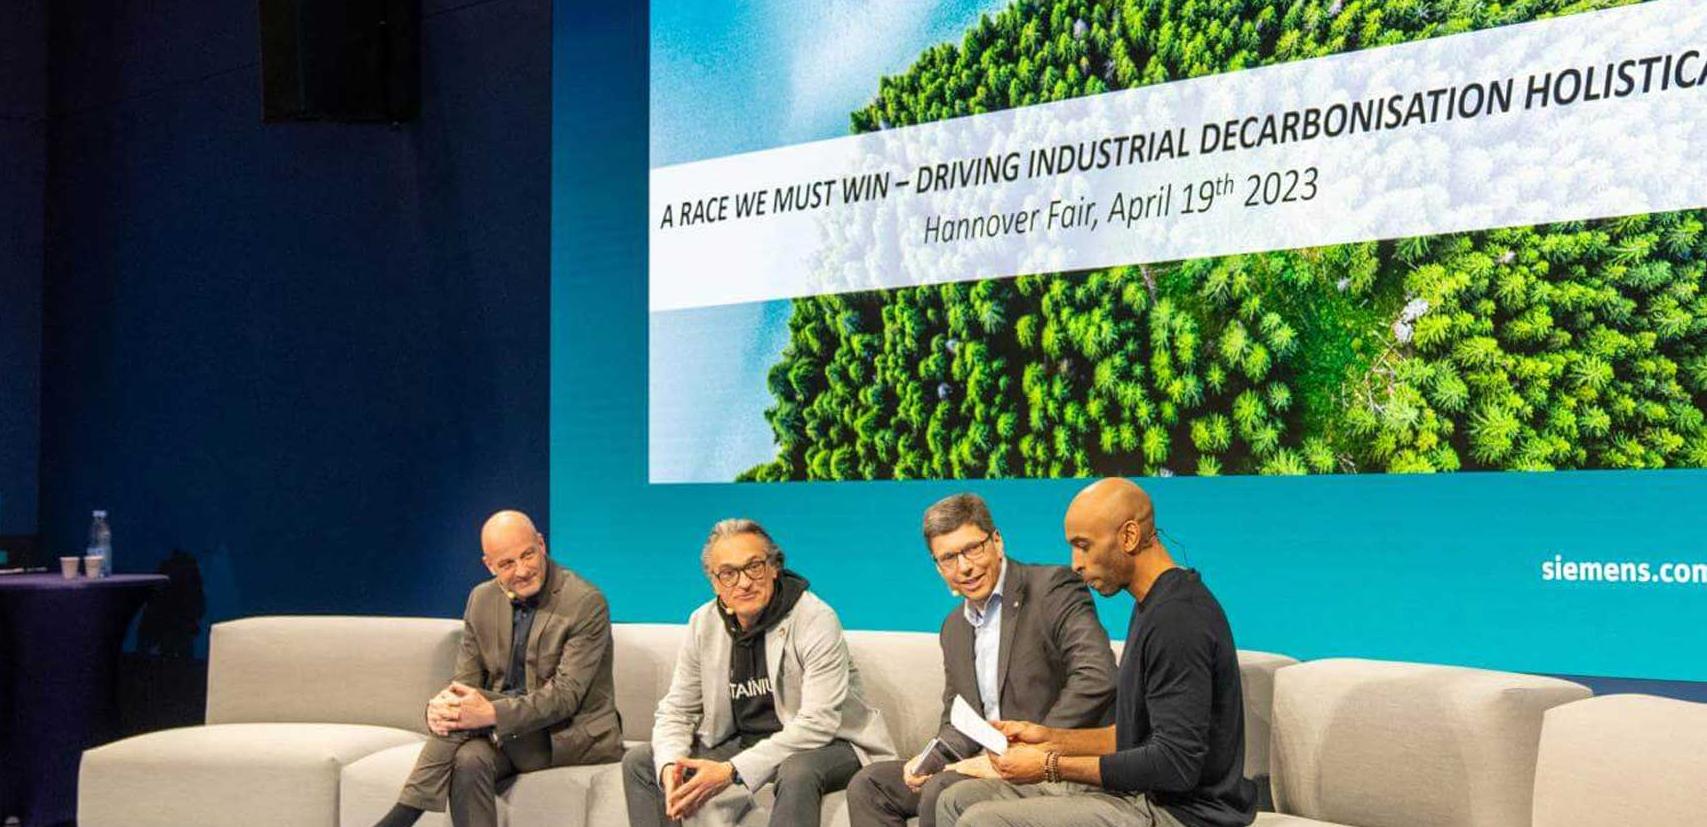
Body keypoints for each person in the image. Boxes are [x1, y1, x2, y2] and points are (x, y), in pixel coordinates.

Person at [937, 478, 1257, 827]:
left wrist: (1050, 766)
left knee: (982, 821)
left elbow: (1175, 764)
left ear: (1129, 536)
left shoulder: (1178, 619)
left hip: (1183, 815)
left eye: (1083, 546)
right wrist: (1048, 739)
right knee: (955, 800)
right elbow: (1134, 738)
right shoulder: (1151, 605)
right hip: (1145, 797)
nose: (1075, 563)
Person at [846, 493, 1116, 827]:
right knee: (870, 785)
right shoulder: (954, 628)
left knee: (943, 789)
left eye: (972, 549)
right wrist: (931, 758)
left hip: (1047, 763)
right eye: (948, 558)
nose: (964, 567)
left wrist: (1034, 744)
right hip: (985, 763)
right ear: (938, 566)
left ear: (996, 541)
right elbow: (959, 718)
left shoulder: (1051, 588)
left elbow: (1097, 674)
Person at [621, 518, 896, 826]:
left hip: (830, 744)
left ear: (774, 567)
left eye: (754, 567)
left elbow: (818, 724)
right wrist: (669, 765)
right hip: (744, 741)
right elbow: (677, 710)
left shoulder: (815, 619)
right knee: (643, 762)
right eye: (728, 574)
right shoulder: (703, 623)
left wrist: (731, 770)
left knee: (797, 770)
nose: (744, 583)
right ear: (715, 583)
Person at [372, 510, 623, 827]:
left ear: (541, 544)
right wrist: (437, 710)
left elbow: (564, 697)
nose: (522, 570)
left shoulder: (584, 602)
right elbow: (464, 685)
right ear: (489, 565)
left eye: (528, 555)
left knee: (465, 714)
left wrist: (489, 713)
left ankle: (400, 817)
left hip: (566, 735)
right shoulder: (481, 600)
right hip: (506, 734)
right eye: (507, 564)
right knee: (469, 760)